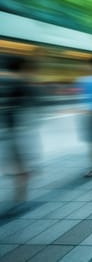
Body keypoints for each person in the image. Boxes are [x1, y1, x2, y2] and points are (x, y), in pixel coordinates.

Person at [0, 56, 39, 207]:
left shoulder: (5, 81)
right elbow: (35, 103)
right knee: (18, 160)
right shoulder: (22, 82)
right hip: (19, 129)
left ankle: (21, 189)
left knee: (16, 160)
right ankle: (21, 192)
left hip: (10, 129)